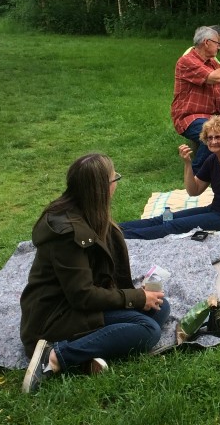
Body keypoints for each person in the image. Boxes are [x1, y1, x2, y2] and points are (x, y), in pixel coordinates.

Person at [20, 153, 170, 393]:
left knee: (160, 307)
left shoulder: (86, 212)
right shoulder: (68, 234)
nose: (116, 184)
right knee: (148, 330)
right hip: (55, 317)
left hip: (77, 307)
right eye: (114, 178)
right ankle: (55, 356)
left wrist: (137, 296)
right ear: (102, 188)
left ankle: (88, 355)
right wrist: (134, 297)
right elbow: (82, 295)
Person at [119, 116, 220, 238]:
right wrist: (188, 163)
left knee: (172, 226)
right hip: (215, 209)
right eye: (209, 138)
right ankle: (114, 229)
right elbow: (193, 191)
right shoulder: (212, 160)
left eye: (218, 137)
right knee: (165, 218)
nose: (213, 141)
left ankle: (120, 238)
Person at [171, 26, 220, 168]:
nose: (219, 47)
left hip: (213, 115)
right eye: (218, 43)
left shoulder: (212, 62)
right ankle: (197, 172)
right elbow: (217, 77)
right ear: (206, 42)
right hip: (190, 116)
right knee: (214, 134)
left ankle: (218, 166)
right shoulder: (187, 61)